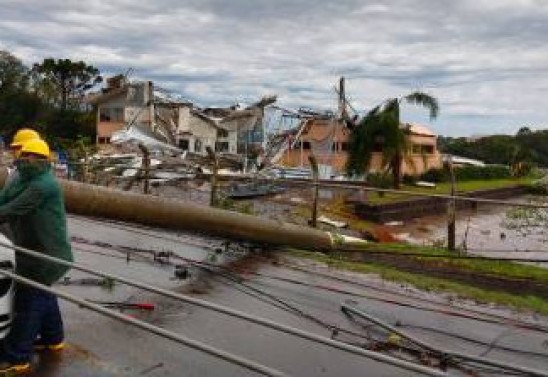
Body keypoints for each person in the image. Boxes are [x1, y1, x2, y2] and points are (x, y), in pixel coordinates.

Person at [0, 138, 73, 374]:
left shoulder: (42, 185)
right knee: (43, 294)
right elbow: (5, 199)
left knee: (31, 300)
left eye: (24, 156)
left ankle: (17, 357)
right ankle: (54, 339)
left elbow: (12, 209)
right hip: (37, 249)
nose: (20, 159)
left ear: (38, 159)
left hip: (45, 254)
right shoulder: (24, 178)